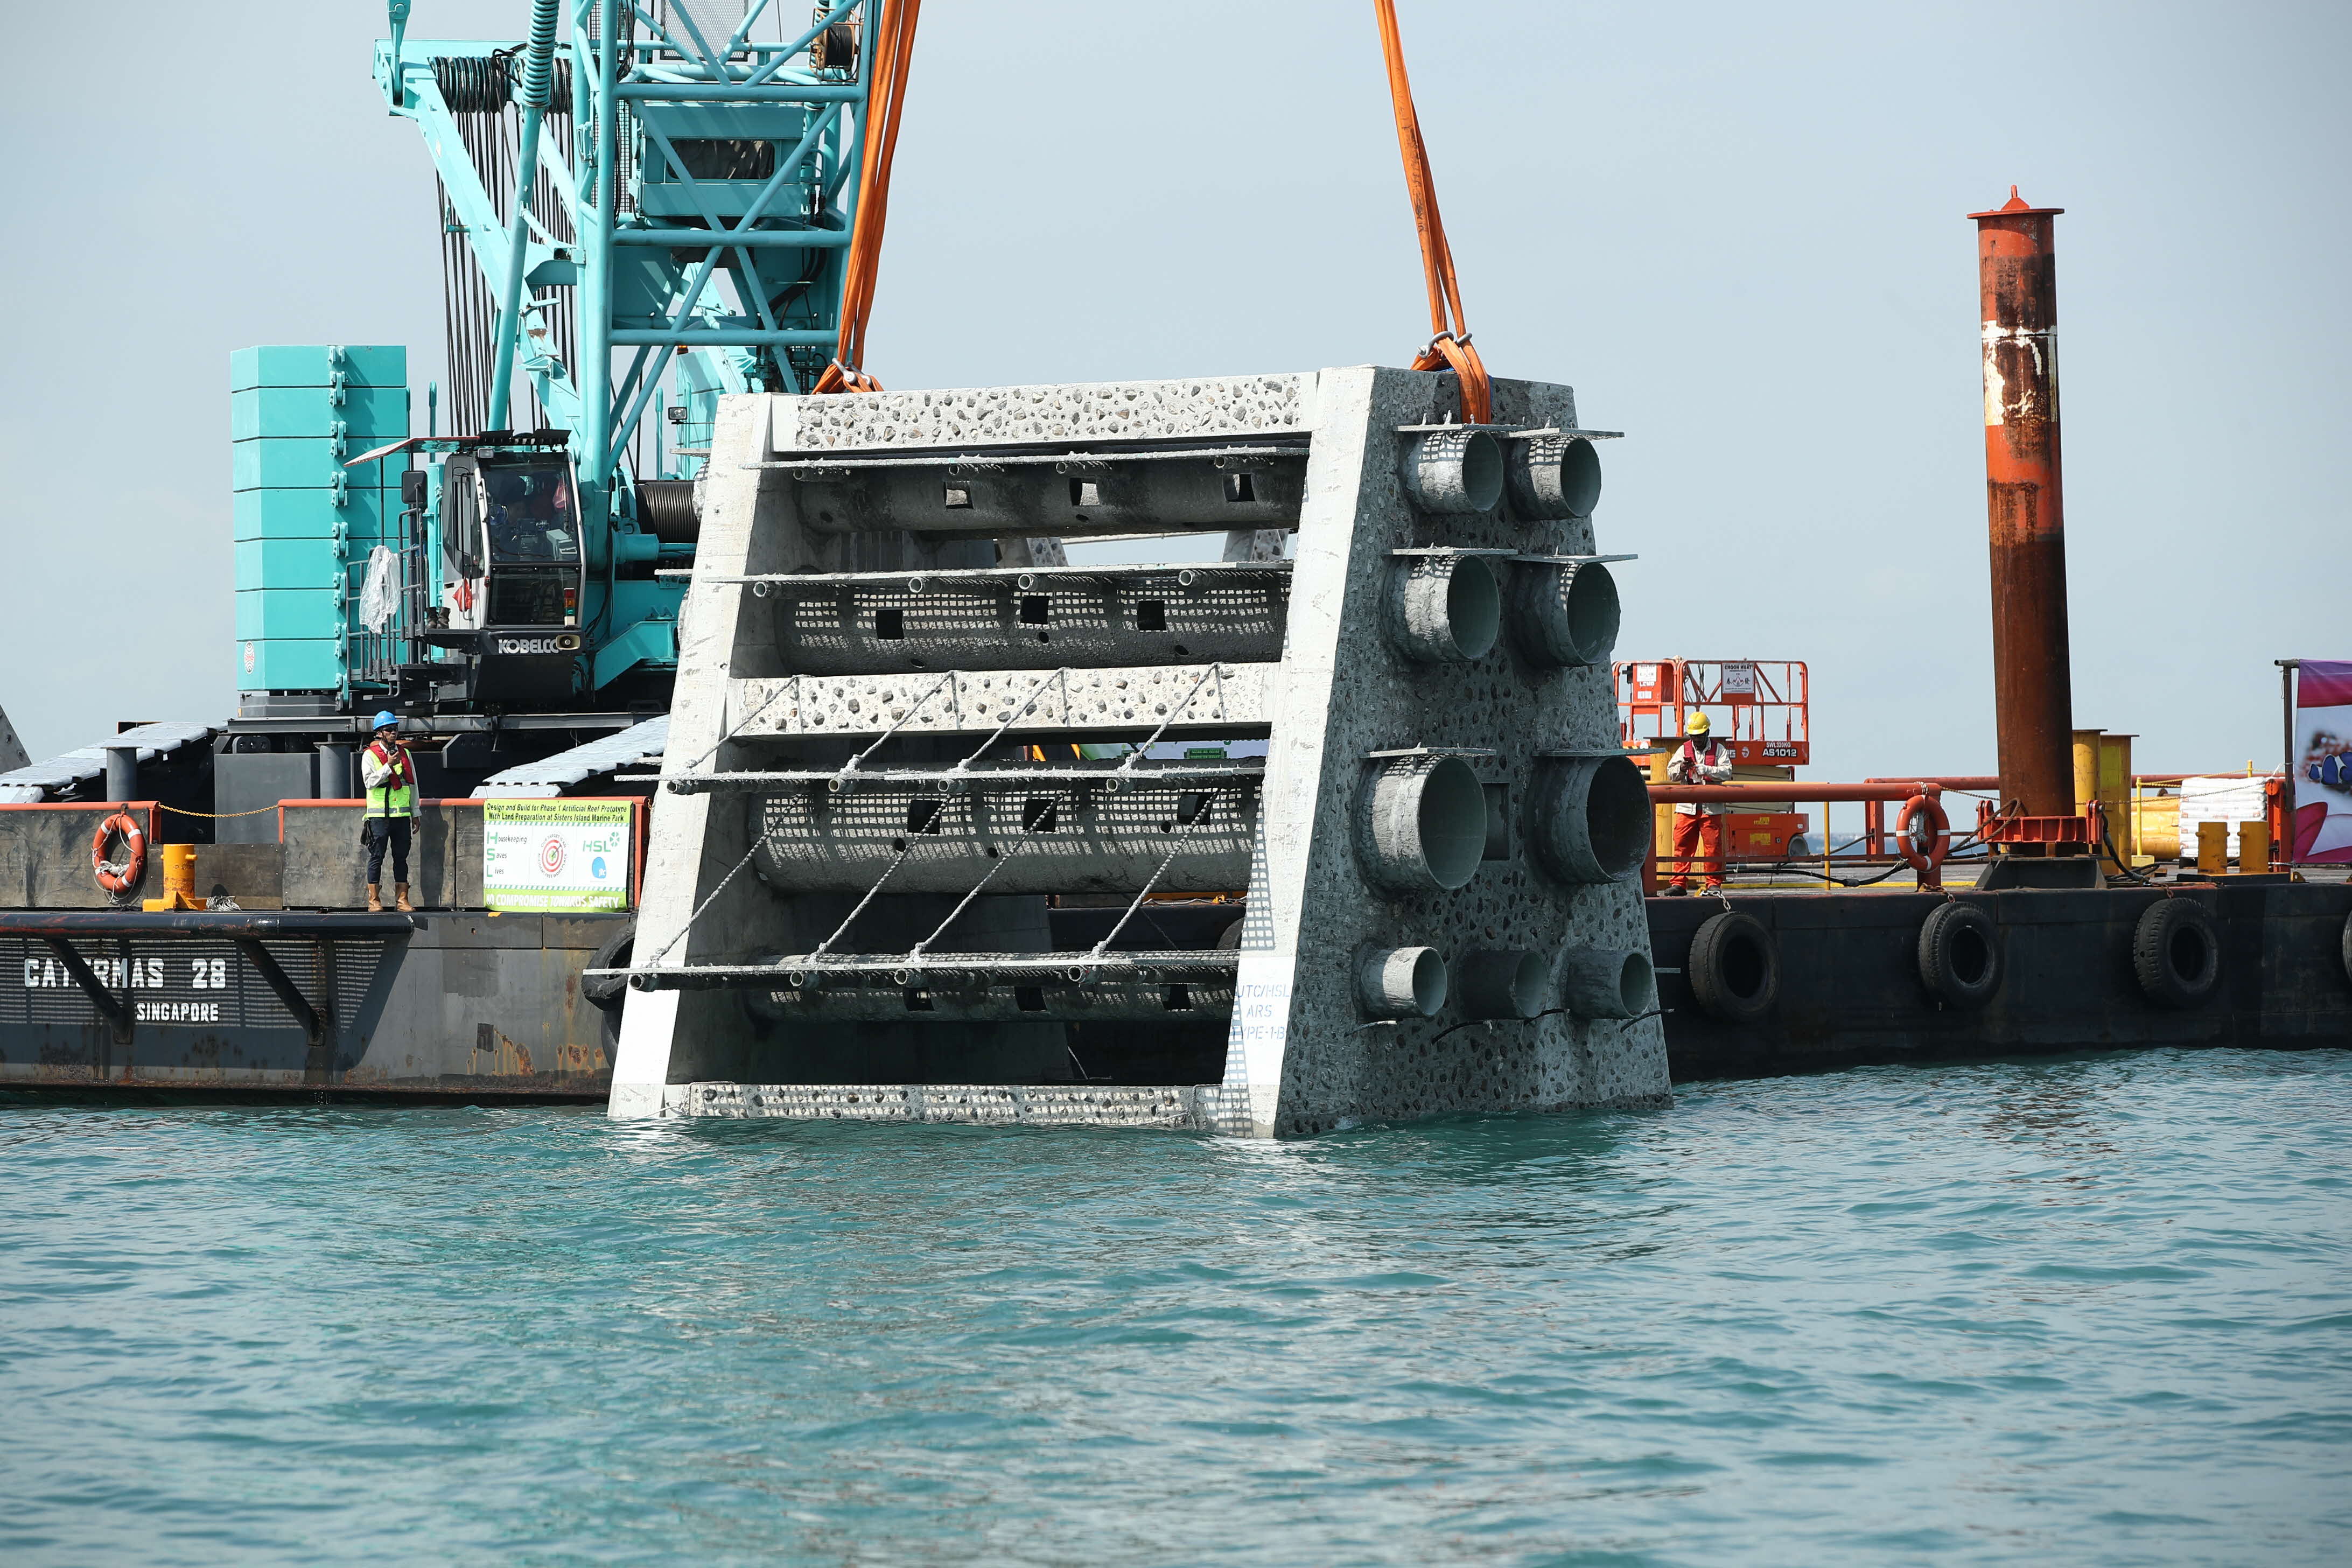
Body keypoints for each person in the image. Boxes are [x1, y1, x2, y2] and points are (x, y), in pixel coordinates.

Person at [1665, 711, 1734, 895]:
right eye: (1693, 737)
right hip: (1687, 807)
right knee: (1682, 846)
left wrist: (1706, 770)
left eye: (1699, 736)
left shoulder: (1719, 750)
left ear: (1707, 733)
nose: (1696, 740)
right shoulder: (1684, 750)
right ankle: (1679, 883)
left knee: (1713, 848)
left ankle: (1713, 884)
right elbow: (1671, 773)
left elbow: (1727, 772)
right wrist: (1682, 767)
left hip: (1710, 808)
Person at [360, 711, 421, 912]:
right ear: (379, 733)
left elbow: (412, 785)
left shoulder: (406, 754)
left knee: (401, 858)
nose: (393, 733)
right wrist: (388, 766)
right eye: (389, 730)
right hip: (379, 817)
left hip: (401, 816)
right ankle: (374, 901)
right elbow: (369, 782)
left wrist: (415, 813)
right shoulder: (370, 755)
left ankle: (402, 900)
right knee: (377, 857)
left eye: (395, 729)